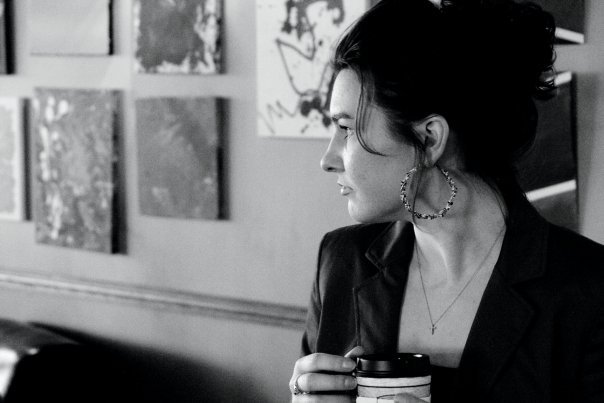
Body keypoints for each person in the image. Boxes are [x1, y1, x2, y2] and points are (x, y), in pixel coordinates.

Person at [289, 0, 604, 402]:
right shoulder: (340, 262)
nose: (328, 159)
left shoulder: (589, 290)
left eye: (346, 129)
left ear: (430, 139)